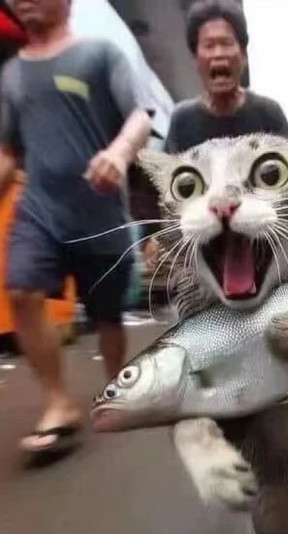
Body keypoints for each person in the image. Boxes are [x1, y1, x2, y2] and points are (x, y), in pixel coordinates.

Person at [0, 0, 152, 459]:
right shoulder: (11, 76)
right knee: (21, 289)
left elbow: (140, 116)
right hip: (40, 210)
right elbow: (7, 152)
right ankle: (58, 403)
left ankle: (116, 384)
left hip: (100, 215)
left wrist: (119, 154)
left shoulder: (99, 54)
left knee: (107, 317)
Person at [163, 0, 288, 154]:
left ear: (244, 56)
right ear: (196, 60)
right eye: (209, 45)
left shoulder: (269, 114)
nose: (218, 54)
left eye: (227, 43)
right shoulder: (182, 121)